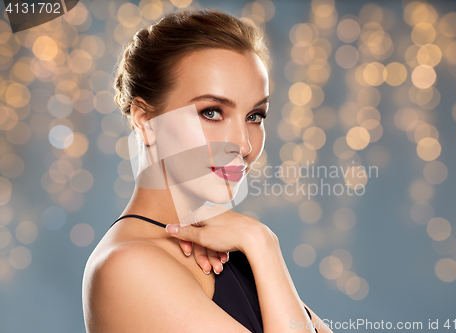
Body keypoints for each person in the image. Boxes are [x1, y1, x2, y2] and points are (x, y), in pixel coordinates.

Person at [82, 8, 332, 333]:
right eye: (212, 112)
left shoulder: (233, 251)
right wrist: (261, 241)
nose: (243, 145)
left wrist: (254, 246)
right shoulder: (127, 267)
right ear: (145, 121)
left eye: (255, 116)